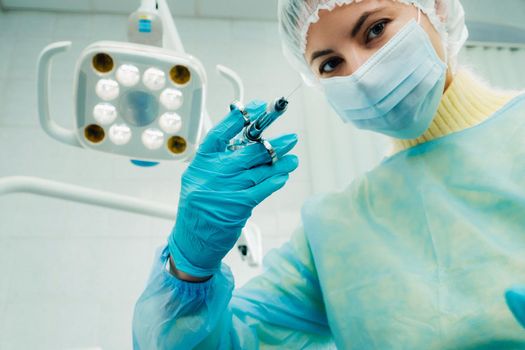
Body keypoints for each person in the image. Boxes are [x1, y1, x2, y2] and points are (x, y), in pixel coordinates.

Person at [132, 0, 525, 348]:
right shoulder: (333, 234)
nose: (361, 75)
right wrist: (189, 269)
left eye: (375, 30)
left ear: (436, 7)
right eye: (331, 64)